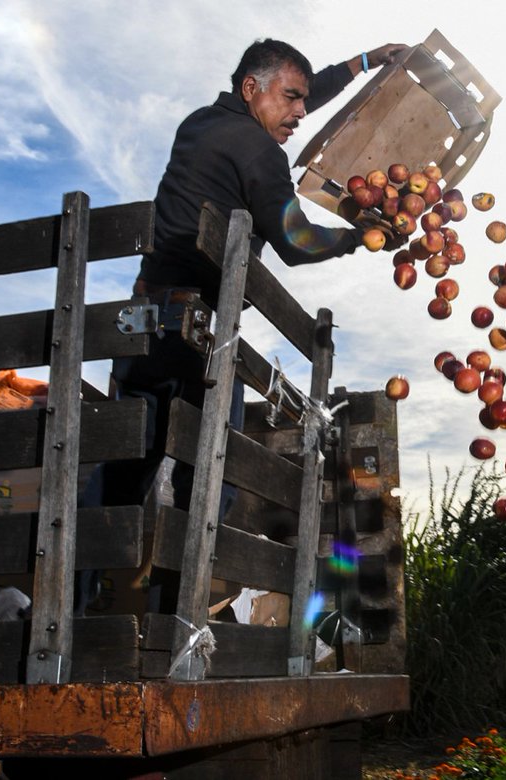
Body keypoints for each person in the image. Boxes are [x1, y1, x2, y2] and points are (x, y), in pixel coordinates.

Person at [87, 39, 407, 613]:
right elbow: (295, 241)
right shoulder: (260, 152)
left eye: (303, 100)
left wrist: (362, 65)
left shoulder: (201, 125)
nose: (300, 114)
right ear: (251, 90)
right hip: (198, 335)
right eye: (291, 100)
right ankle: (171, 625)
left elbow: (294, 91)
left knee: (121, 474)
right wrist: (363, 236)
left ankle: (72, 612)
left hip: (144, 322)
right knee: (213, 479)